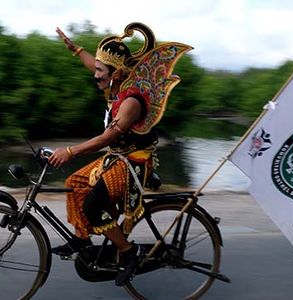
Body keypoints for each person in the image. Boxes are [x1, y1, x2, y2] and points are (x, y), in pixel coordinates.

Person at [49, 23, 192, 286]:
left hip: (136, 161)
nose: (95, 74)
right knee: (75, 183)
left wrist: (70, 151)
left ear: (116, 74)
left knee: (93, 205)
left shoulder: (131, 102)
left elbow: (108, 138)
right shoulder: (113, 87)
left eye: (101, 71)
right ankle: (82, 238)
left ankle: (128, 252)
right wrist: (76, 49)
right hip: (117, 157)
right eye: (98, 69)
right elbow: (93, 65)